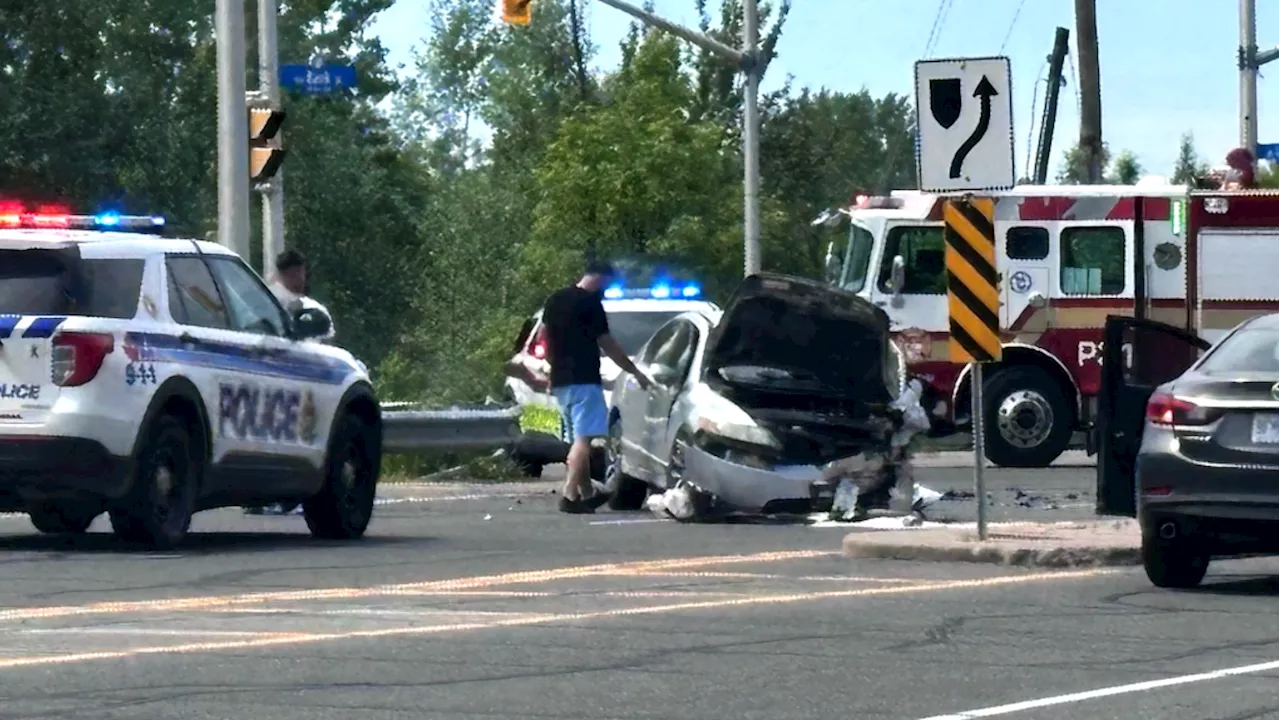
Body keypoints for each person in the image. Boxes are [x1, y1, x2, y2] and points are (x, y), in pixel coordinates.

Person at [539, 261, 652, 514]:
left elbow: (542, 338)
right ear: (602, 278)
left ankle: (588, 493)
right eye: (609, 284)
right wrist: (633, 371)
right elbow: (607, 343)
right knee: (584, 440)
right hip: (584, 379)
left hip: (560, 381)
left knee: (578, 439)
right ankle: (569, 495)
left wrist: (553, 365)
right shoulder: (590, 304)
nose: (608, 289)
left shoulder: (555, 299)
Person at [246, 249, 335, 517]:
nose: (300, 277)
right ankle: (282, 496)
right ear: (293, 272)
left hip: (267, 379)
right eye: (298, 272)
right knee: (297, 436)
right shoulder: (300, 306)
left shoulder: (257, 299)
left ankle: (263, 496)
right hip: (292, 379)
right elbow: (325, 340)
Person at [268, 249, 336, 343]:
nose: (299, 278)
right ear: (281, 274)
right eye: (292, 274)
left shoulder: (313, 306)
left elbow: (327, 337)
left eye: (299, 272)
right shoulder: (272, 298)